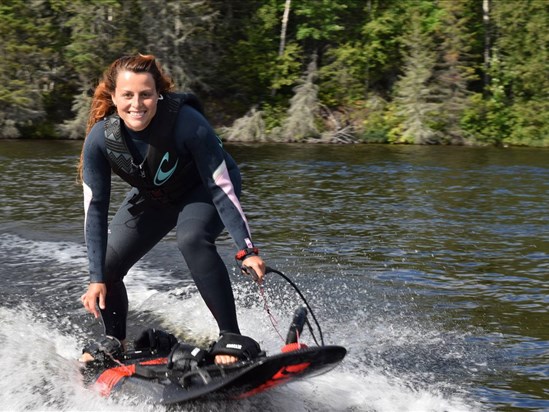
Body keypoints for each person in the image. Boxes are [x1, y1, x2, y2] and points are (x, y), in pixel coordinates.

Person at [78, 54, 266, 365]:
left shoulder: (188, 123)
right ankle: (115, 339)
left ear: (158, 95)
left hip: (205, 188)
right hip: (156, 195)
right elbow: (95, 211)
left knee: (191, 239)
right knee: (108, 265)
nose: (136, 104)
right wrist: (96, 276)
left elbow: (221, 187)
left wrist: (247, 250)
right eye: (127, 95)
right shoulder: (100, 139)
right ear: (114, 97)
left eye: (145, 94)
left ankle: (231, 336)